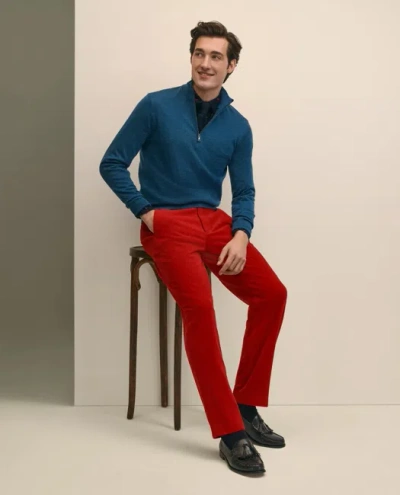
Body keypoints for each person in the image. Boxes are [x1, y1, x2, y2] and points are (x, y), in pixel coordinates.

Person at [99, 20, 287, 475]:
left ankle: (245, 405)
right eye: (199, 53)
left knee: (272, 295)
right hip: (167, 224)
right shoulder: (156, 106)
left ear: (231, 66)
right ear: (191, 58)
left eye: (216, 56)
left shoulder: (238, 127)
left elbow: (244, 191)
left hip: (214, 224)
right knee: (200, 308)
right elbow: (112, 162)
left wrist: (241, 233)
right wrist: (146, 211)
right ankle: (230, 434)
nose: (206, 63)